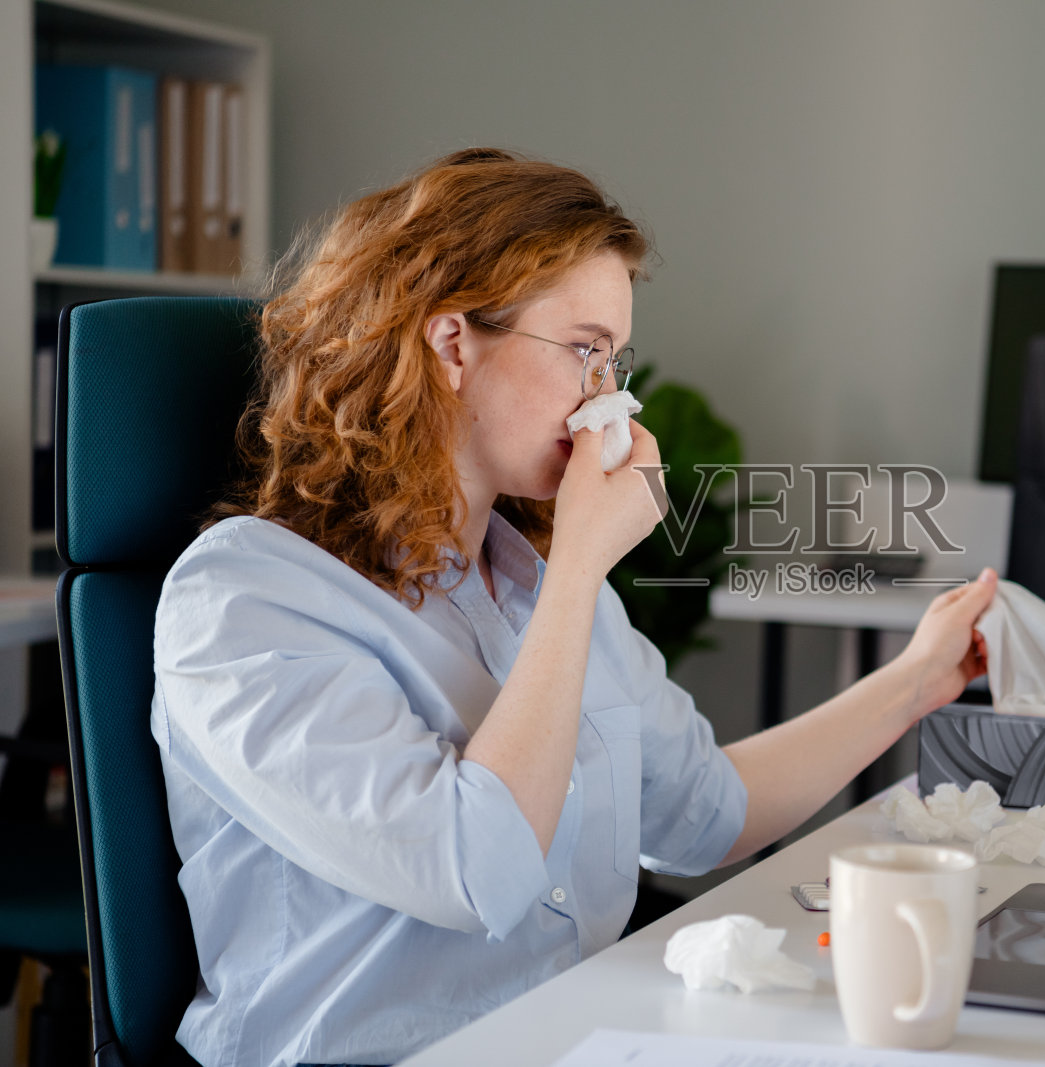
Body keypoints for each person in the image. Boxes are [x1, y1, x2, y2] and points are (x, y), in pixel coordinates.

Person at [151, 147, 997, 1067]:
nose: (614, 396)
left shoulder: (532, 583)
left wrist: (922, 677)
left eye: (616, 359)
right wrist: (581, 563)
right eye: (586, 352)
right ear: (451, 345)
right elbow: (480, 870)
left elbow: (709, 811)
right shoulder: (246, 599)